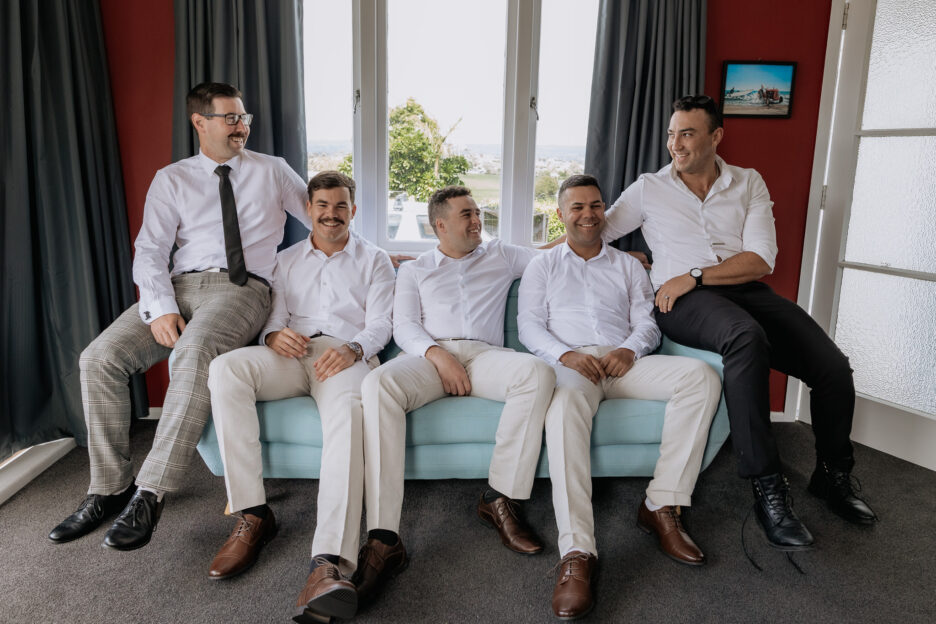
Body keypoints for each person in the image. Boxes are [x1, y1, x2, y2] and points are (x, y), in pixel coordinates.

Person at [601, 95, 877, 553]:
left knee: (832, 367)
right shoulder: (649, 188)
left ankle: (833, 475)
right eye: (672, 134)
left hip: (737, 289)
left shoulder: (748, 182)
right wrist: (532, 256)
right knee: (745, 338)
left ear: (716, 136)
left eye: (687, 133)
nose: (676, 144)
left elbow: (760, 260)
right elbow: (595, 232)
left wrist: (693, 275)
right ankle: (768, 488)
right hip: (681, 306)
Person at [48, 82, 315, 551]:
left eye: (244, 117)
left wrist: (376, 257)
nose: (242, 126)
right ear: (200, 122)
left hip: (243, 287)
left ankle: (150, 493)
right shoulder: (171, 178)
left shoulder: (273, 171)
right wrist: (162, 308)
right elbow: (150, 250)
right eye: (230, 117)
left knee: (193, 352)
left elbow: (324, 217)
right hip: (179, 286)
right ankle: (110, 488)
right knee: (98, 359)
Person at [519, 174, 721, 620]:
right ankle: (576, 553)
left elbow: (646, 322)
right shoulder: (542, 266)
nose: (588, 214)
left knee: (701, 377)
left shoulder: (629, 266)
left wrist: (630, 349)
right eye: (577, 207)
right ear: (561, 214)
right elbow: (530, 327)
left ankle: (661, 504)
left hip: (623, 362)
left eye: (595, 206)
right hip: (573, 368)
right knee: (565, 406)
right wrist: (565, 355)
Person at [205, 171, 394, 623]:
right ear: (308, 209)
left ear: (353, 209)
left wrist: (354, 348)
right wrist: (273, 337)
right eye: (323, 206)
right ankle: (252, 514)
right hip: (294, 353)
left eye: (341, 206)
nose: (331, 215)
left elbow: (383, 323)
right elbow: (275, 317)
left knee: (349, 418)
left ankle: (329, 563)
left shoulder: (376, 260)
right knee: (225, 368)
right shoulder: (285, 260)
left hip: (345, 358)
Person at [354, 186, 556, 607]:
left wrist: (620, 254)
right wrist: (437, 355)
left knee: (536, 372)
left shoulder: (501, 254)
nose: (477, 220)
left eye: (478, 212)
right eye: (467, 215)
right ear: (439, 225)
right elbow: (404, 326)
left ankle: (501, 499)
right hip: (431, 356)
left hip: (485, 356)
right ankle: (384, 536)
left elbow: (555, 257)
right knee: (377, 384)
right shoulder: (415, 270)